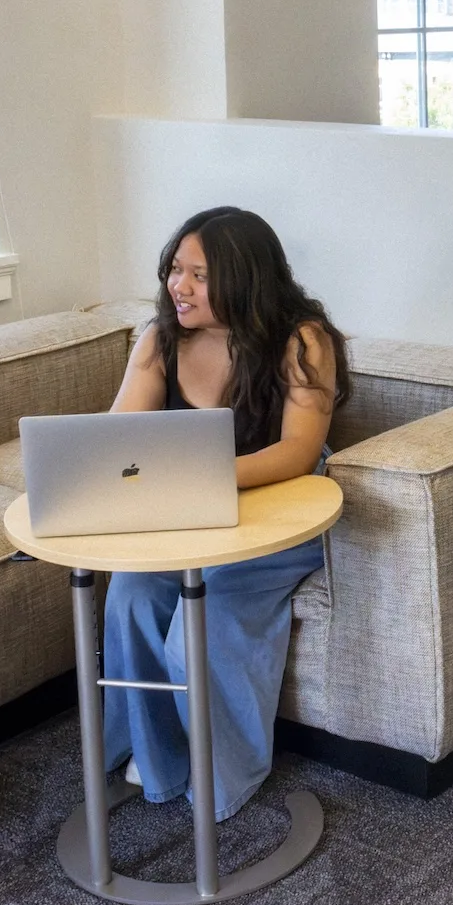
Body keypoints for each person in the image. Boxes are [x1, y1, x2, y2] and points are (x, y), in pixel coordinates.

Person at [102, 207, 349, 821]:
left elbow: (297, 451)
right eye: (174, 270)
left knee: (202, 625)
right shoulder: (161, 339)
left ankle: (225, 779)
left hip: (279, 515)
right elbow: (116, 437)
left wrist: (195, 478)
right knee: (130, 596)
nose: (178, 286)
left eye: (200, 275)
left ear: (244, 279)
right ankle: (160, 759)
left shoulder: (301, 340)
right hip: (189, 514)